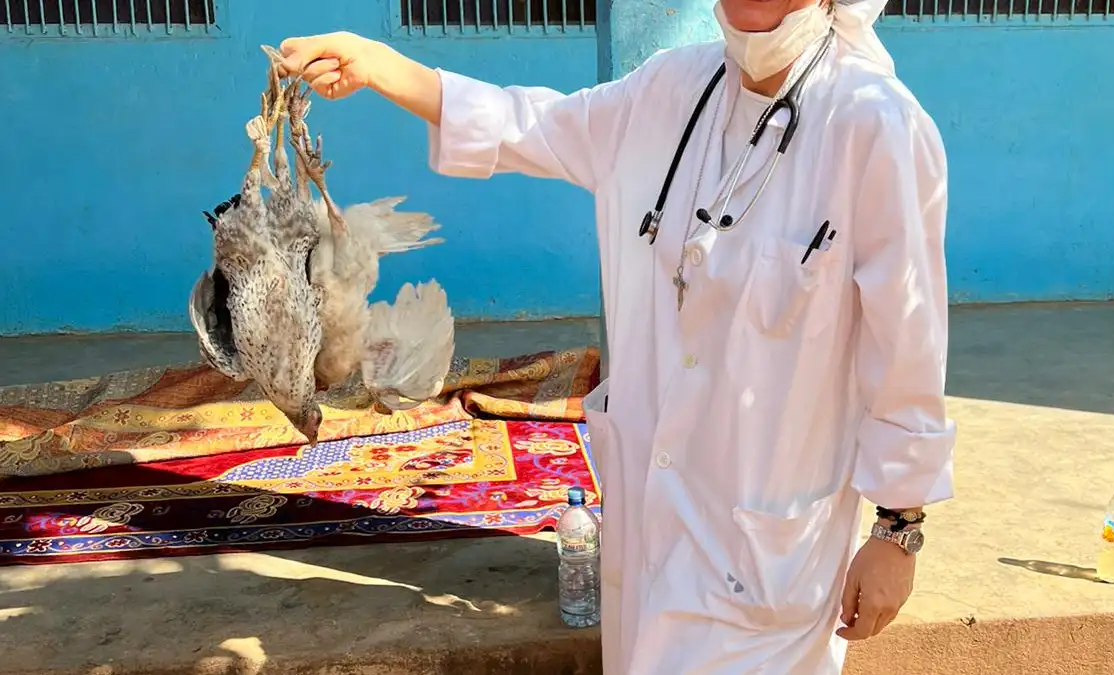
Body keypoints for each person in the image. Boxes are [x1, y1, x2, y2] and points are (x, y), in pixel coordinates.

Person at [278, 0, 956, 671]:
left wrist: (898, 529)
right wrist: (381, 65)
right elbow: (532, 124)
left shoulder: (876, 125)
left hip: (767, 548)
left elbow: (908, 343)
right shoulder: (671, 91)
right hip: (651, 521)